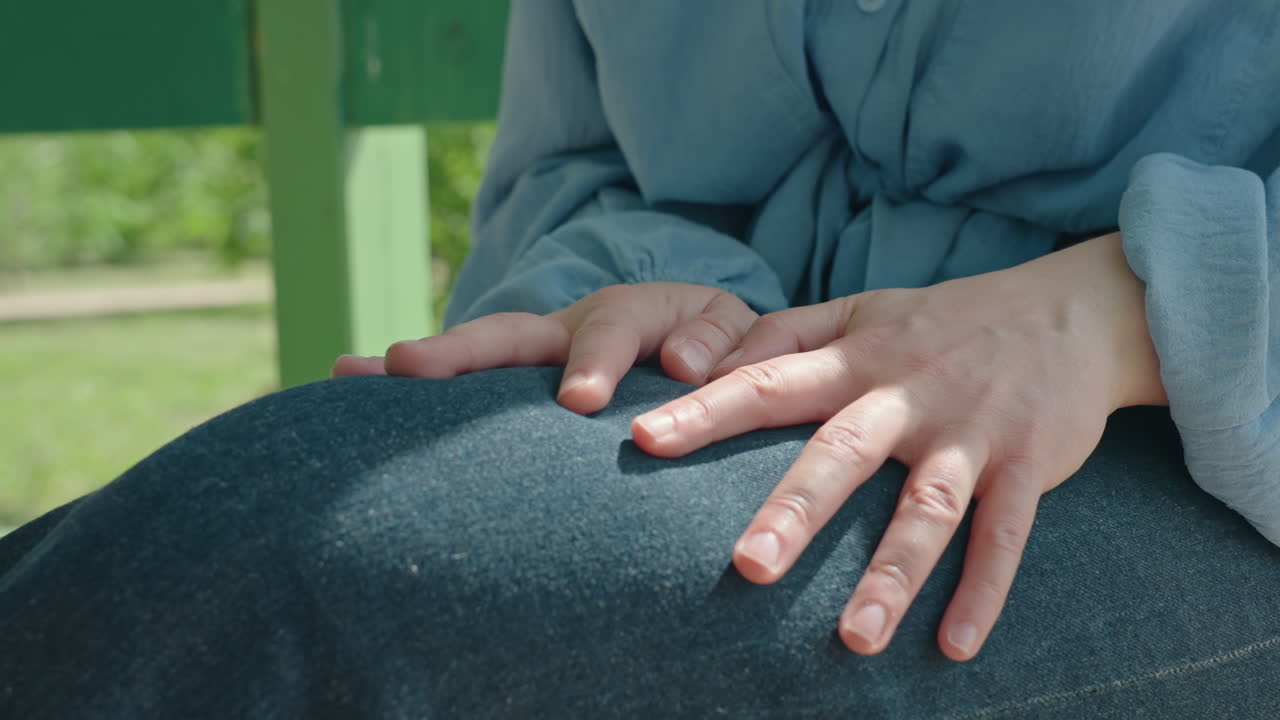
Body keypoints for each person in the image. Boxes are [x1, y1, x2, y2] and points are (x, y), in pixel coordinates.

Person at [3, 1, 1278, 717]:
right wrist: (658, 288)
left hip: (1196, 444)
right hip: (776, 370)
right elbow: (579, 157)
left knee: (291, 583)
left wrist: (1111, 315)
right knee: (179, 542)